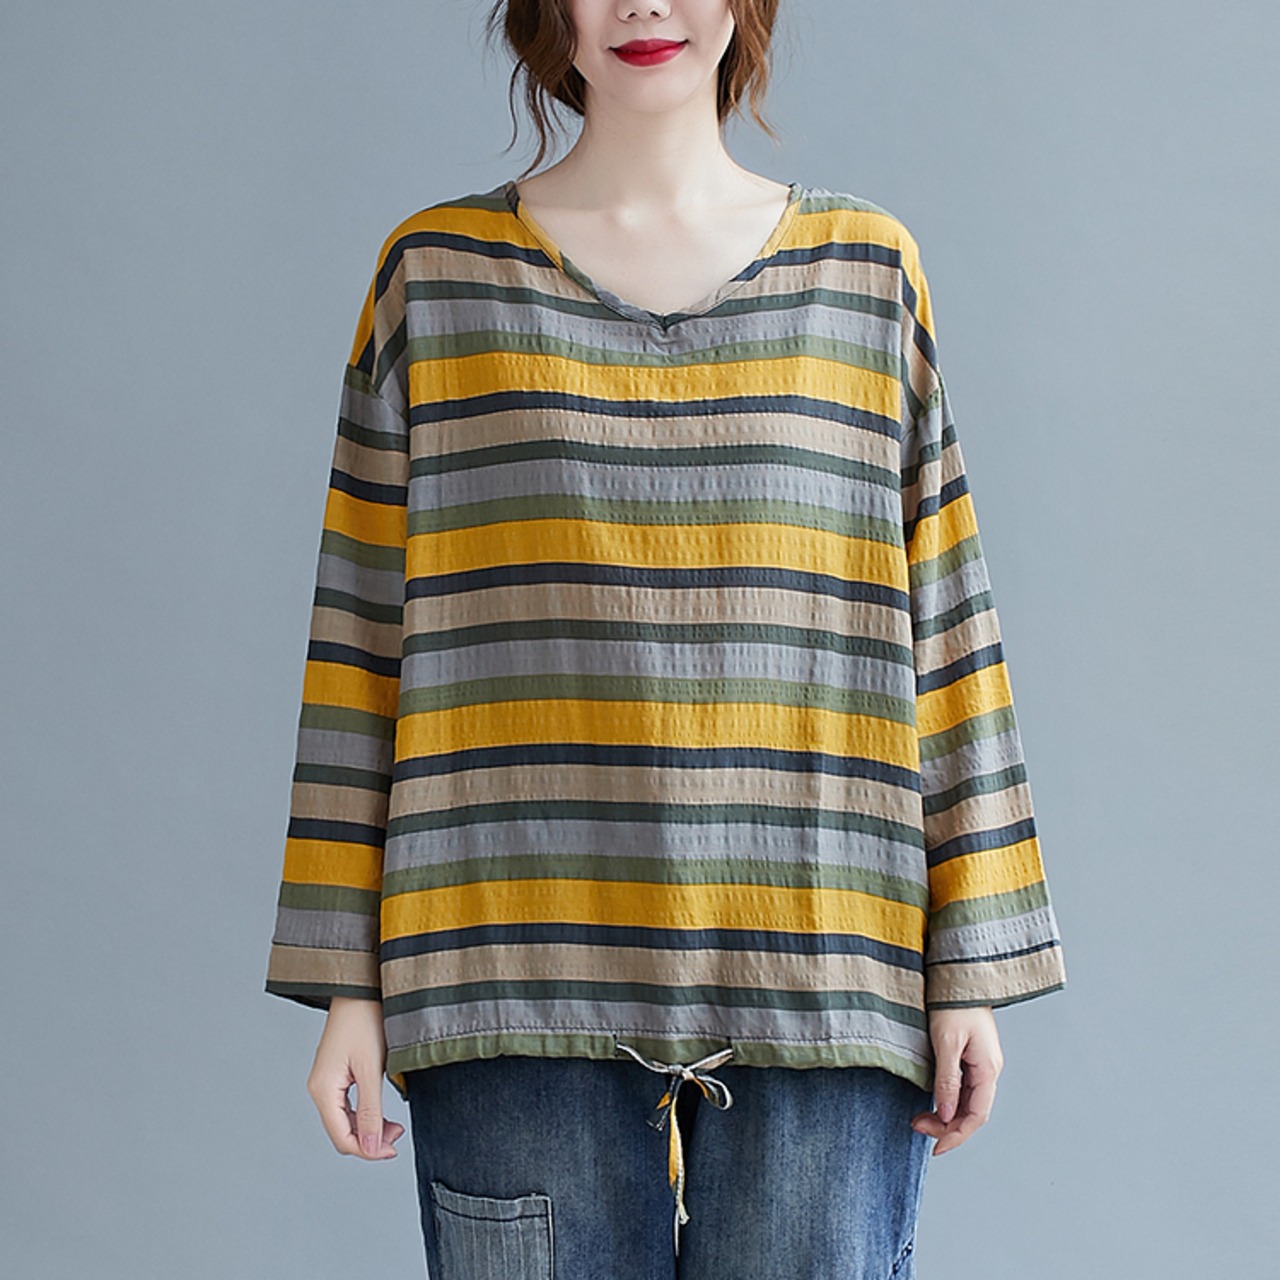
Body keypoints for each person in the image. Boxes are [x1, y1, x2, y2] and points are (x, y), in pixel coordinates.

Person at [264, 2, 1068, 1277]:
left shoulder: (864, 273)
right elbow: (361, 634)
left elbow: (946, 624)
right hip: (505, 970)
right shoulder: (438, 274)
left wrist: (965, 965)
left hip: (826, 972)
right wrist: (349, 982)